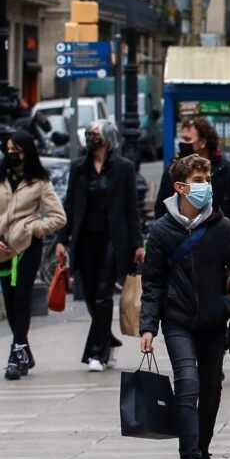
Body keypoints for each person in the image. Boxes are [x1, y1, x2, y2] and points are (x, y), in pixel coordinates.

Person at [138, 154, 230, 459]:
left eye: (207, 180)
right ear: (180, 187)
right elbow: (153, 282)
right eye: (198, 181)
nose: (205, 187)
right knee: (187, 385)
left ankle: (203, 451)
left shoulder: (222, 228)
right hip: (177, 321)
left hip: (214, 321)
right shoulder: (161, 231)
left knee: (211, 390)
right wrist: (148, 326)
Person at [0, 130, 66, 379]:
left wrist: (34, 228)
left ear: (27, 151)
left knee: (21, 297)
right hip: (0, 247)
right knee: (9, 300)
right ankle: (25, 350)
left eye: (17, 149)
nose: (12, 153)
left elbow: (59, 217)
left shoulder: (39, 182)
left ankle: (15, 353)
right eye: (9, 149)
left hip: (27, 246)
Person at [56, 121, 143, 371]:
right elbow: (70, 205)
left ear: (107, 137)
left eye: (94, 134)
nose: (90, 138)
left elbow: (131, 208)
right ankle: (109, 340)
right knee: (91, 295)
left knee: (104, 293)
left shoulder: (124, 168)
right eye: (88, 134)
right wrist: (62, 239)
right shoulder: (79, 169)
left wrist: (138, 243)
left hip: (113, 240)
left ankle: (96, 353)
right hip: (85, 239)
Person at [156, 116, 230, 213]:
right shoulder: (172, 170)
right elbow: (161, 207)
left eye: (187, 139)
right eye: (181, 139)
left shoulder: (224, 169)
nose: (182, 143)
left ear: (202, 142)